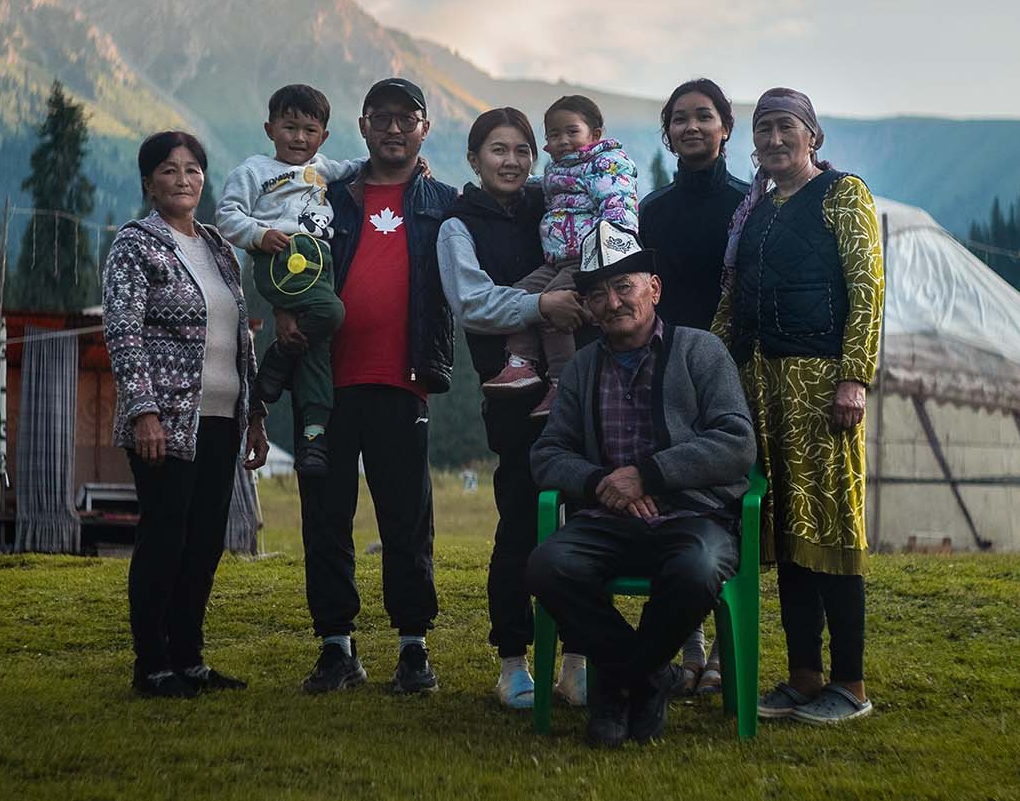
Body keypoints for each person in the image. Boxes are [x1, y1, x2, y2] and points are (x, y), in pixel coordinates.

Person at [526, 222, 755, 748]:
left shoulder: (700, 351)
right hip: (607, 520)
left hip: (694, 517)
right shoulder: (582, 369)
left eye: (624, 286)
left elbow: (737, 443)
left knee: (697, 570)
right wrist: (602, 481)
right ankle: (651, 677)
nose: (612, 302)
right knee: (547, 566)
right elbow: (548, 454)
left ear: (653, 288)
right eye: (598, 293)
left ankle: (617, 685)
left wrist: (647, 475)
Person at [713, 88, 883, 725]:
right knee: (785, 534)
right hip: (760, 385)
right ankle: (804, 677)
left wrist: (855, 377)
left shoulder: (844, 195)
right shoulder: (753, 211)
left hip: (821, 386)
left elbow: (867, 289)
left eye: (785, 128)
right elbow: (733, 300)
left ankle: (850, 683)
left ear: (813, 135)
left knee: (833, 529)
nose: (774, 141)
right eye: (763, 131)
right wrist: (705, 365)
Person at [287, 78, 457, 695]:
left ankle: (414, 648)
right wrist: (283, 309)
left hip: (403, 382)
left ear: (424, 129)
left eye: (405, 118)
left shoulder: (444, 202)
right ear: (362, 126)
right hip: (325, 386)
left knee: (406, 519)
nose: (392, 128)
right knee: (325, 518)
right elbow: (282, 256)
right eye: (380, 117)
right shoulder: (326, 196)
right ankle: (337, 647)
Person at [103, 130, 272, 699]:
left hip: (224, 418)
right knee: (165, 539)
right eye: (169, 170)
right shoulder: (135, 245)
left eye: (193, 169)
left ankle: (189, 658)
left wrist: (255, 415)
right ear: (149, 183)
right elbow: (123, 333)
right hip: (168, 421)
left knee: (204, 541)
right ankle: (152, 665)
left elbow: (238, 337)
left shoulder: (220, 247)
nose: (183, 179)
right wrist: (143, 411)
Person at [436, 107, 595, 710]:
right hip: (512, 395)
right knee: (522, 521)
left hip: (580, 385)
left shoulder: (552, 205)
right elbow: (472, 305)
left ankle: (577, 662)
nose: (512, 161)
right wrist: (541, 308)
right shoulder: (459, 224)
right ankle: (513, 661)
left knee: (583, 518)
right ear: (474, 159)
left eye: (522, 150)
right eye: (497, 150)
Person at [640, 77, 749, 694]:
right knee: (674, 501)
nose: (691, 127)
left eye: (703, 116)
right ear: (669, 132)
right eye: (679, 119)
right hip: (666, 373)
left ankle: (722, 656)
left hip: (730, 372)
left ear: (725, 127)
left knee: (723, 504)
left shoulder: (746, 202)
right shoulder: (653, 210)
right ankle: (691, 652)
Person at [215, 84, 364, 477]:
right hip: (281, 259)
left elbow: (361, 166)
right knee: (331, 312)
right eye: (289, 127)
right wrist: (259, 235)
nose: (299, 138)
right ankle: (277, 358)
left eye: (310, 130)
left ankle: (313, 438)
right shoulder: (254, 171)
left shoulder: (321, 168)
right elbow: (227, 216)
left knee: (314, 349)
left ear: (324, 137)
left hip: (319, 262)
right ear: (270, 129)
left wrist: (417, 167)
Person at [482, 95, 639, 420]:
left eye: (571, 131)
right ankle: (521, 364)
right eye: (554, 134)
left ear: (595, 134)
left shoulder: (606, 164)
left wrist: (605, 256)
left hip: (588, 259)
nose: (562, 140)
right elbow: (544, 185)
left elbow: (618, 208)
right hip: (557, 260)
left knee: (554, 308)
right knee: (519, 295)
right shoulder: (558, 169)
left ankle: (562, 384)